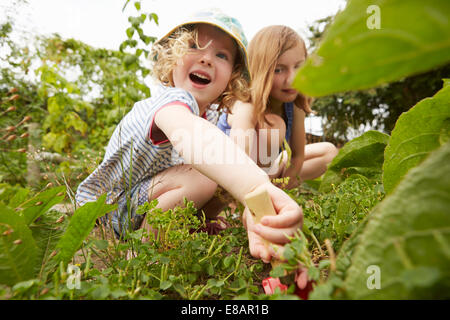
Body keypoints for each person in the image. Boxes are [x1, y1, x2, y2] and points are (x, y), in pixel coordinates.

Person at [75, 10, 303, 263]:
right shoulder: (172, 99)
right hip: (109, 207)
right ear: (170, 60)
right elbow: (190, 134)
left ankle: (192, 225)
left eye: (221, 55)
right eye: (194, 46)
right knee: (207, 173)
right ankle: (140, 255)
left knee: (221, 169)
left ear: (232, 78)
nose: (206, 58)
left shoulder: (213, 118)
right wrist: (255, 188)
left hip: (143, 201)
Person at [217, 25, 338, 189]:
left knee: (329, 152)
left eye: (298, 67)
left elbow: (297, 157)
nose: (291, 79)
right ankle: (253, 195)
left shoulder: (294, 105)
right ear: (261, 72)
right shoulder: (245, 107)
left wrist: (285, 182)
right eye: (279, 70)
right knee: (274, 125)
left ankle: (271, 190)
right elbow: (238, 164)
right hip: (225, 176)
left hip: (265, 173)